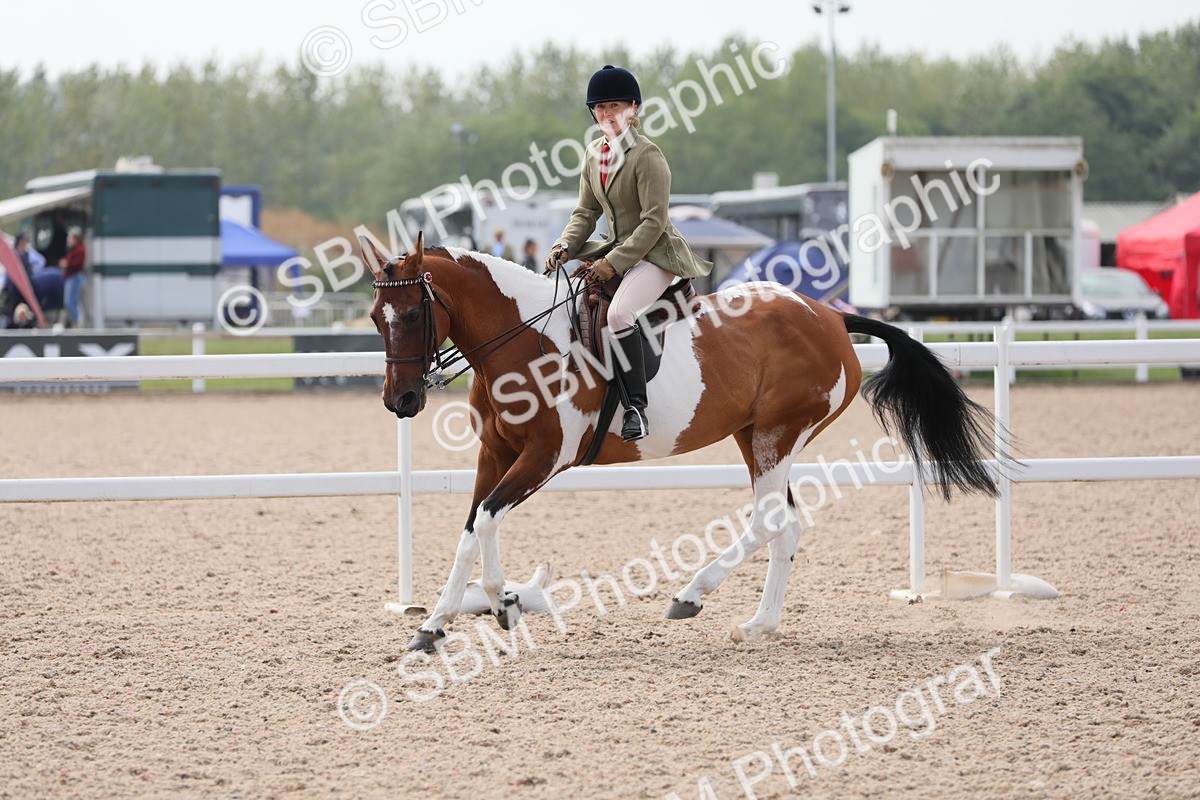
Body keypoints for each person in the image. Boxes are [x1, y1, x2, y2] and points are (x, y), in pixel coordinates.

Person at [544, 64, 712, 442]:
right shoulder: (593, 155)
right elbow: (585, 212)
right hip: (616, 249)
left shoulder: (647, 156)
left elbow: (654, 223)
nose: (607, 115)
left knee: (620, 313)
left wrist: (611, 263)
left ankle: (636, 406)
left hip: (657, 254)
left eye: (615, 106)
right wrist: (565, 245)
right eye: (600, 108)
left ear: (633, 109)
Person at [59, 228, 86, 326]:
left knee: (71, 302)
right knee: (70, 302)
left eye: (70, 238)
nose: (68, 240)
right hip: (71, 277)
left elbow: (76, 264)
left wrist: (67, 264)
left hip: (74, 277)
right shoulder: (75, 249)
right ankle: (74, 321)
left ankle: (76, 323)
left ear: (75, 239)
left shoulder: (79, 250)